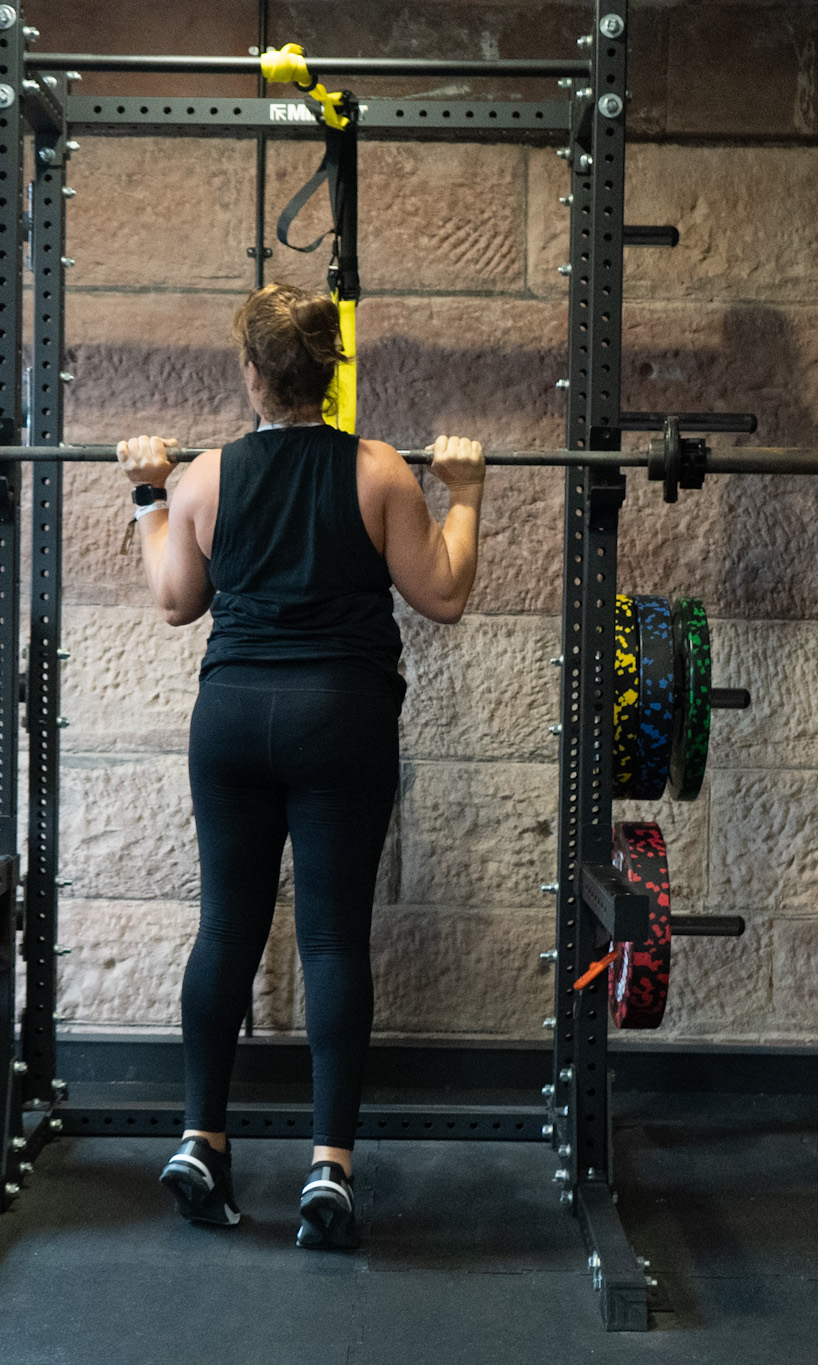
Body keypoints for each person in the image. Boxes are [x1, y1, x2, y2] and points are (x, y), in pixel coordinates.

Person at [115, 283, 486, 1249]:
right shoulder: (380, 473)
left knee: (225, 928)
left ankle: (201, 1140)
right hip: (341, 721)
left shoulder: (204, 479)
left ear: (251, 376)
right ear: (332, 375)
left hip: (232, 720)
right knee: (331, 940)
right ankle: (330, 1166)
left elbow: (173, 599)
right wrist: (468, 492)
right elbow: (442, 592)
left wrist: (150, 493)